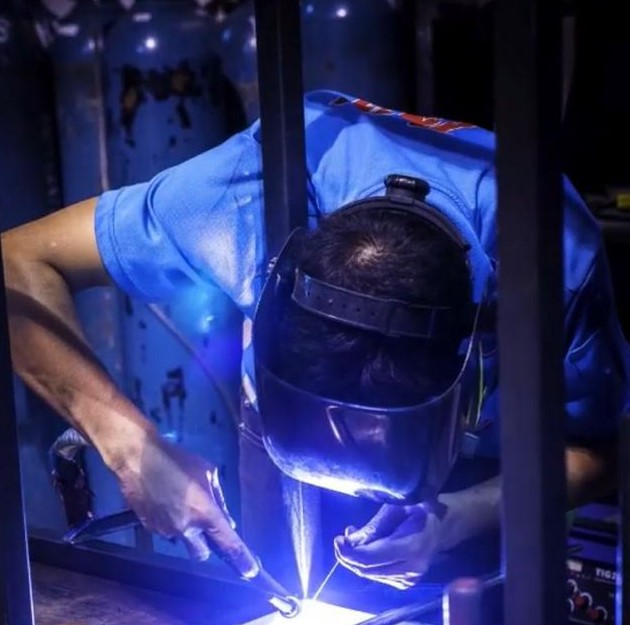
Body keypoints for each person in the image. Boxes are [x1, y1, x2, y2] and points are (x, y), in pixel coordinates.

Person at [2, 90, 627, 593]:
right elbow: (17, 262)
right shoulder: (248, 197)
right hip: (289, 478)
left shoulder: (550, 256)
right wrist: (131, 445)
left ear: (467, 382)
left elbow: (601, 450)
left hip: (486, 496)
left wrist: (457, 516)